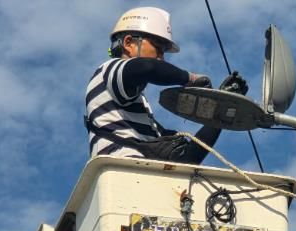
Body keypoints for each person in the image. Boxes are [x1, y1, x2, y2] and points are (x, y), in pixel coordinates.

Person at [85, 7, 248, 163]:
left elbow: (187, 158)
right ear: (129, 43)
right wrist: (190, 79)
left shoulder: (138, 115)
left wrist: (221, 109)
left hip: (140, 176)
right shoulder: (108, 71)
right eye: (158, 48)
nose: (161, 58)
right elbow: (148, 68)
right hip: (121, 170)